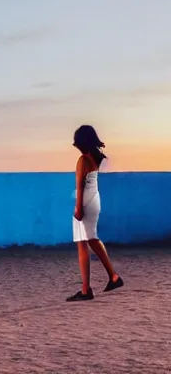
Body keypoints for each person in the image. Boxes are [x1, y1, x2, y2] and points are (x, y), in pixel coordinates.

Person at [66, 125, 124, 302]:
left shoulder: (82, 160)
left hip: (85, 201)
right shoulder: (96, 159)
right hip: (95, 200)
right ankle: (113, 277)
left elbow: (80, 186)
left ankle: (86, 290)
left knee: (82, 244)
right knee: (92, 239)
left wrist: (78, 207)